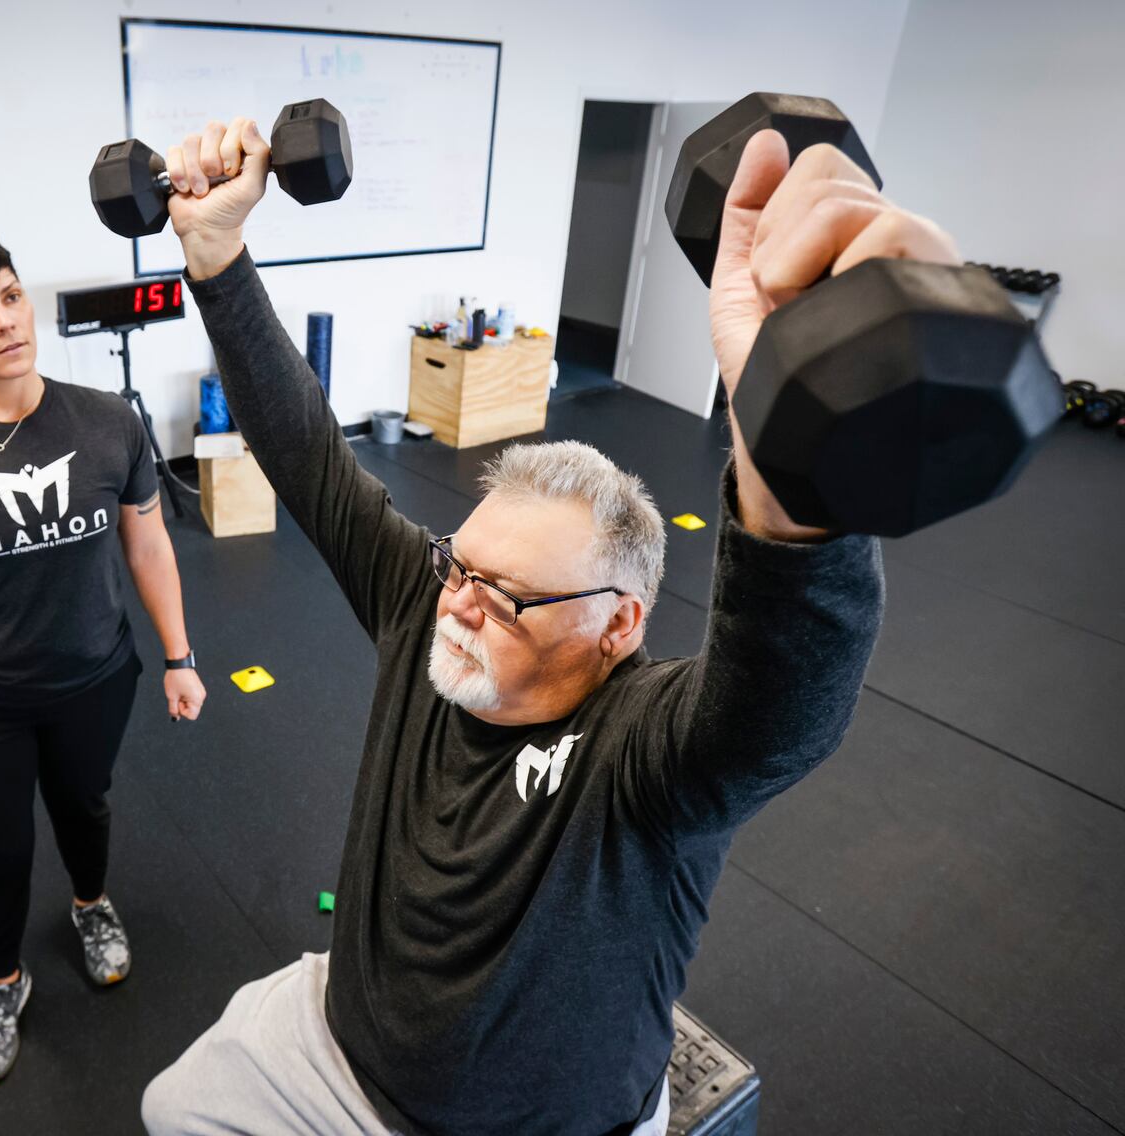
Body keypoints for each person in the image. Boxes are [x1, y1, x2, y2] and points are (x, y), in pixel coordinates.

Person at [140, 116, 954, 1136]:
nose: (462, 603)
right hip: (341, 1039)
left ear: (618, 626)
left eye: (510, 594)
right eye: (460, 565)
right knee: (171, 1106)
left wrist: (795, 445)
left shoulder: (647, 751)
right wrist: (214, 252)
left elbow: (784, 699)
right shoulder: (431, 600)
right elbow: (305, 449)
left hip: (546, 1123)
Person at [0, 229, 207, 1083]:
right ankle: (3, 980)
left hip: (94, 676)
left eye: (11, 296)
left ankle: (91, 905)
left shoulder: (105, 422)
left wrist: (179, 656)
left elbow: (150, 546)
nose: (6, 322)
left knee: (86, 805)